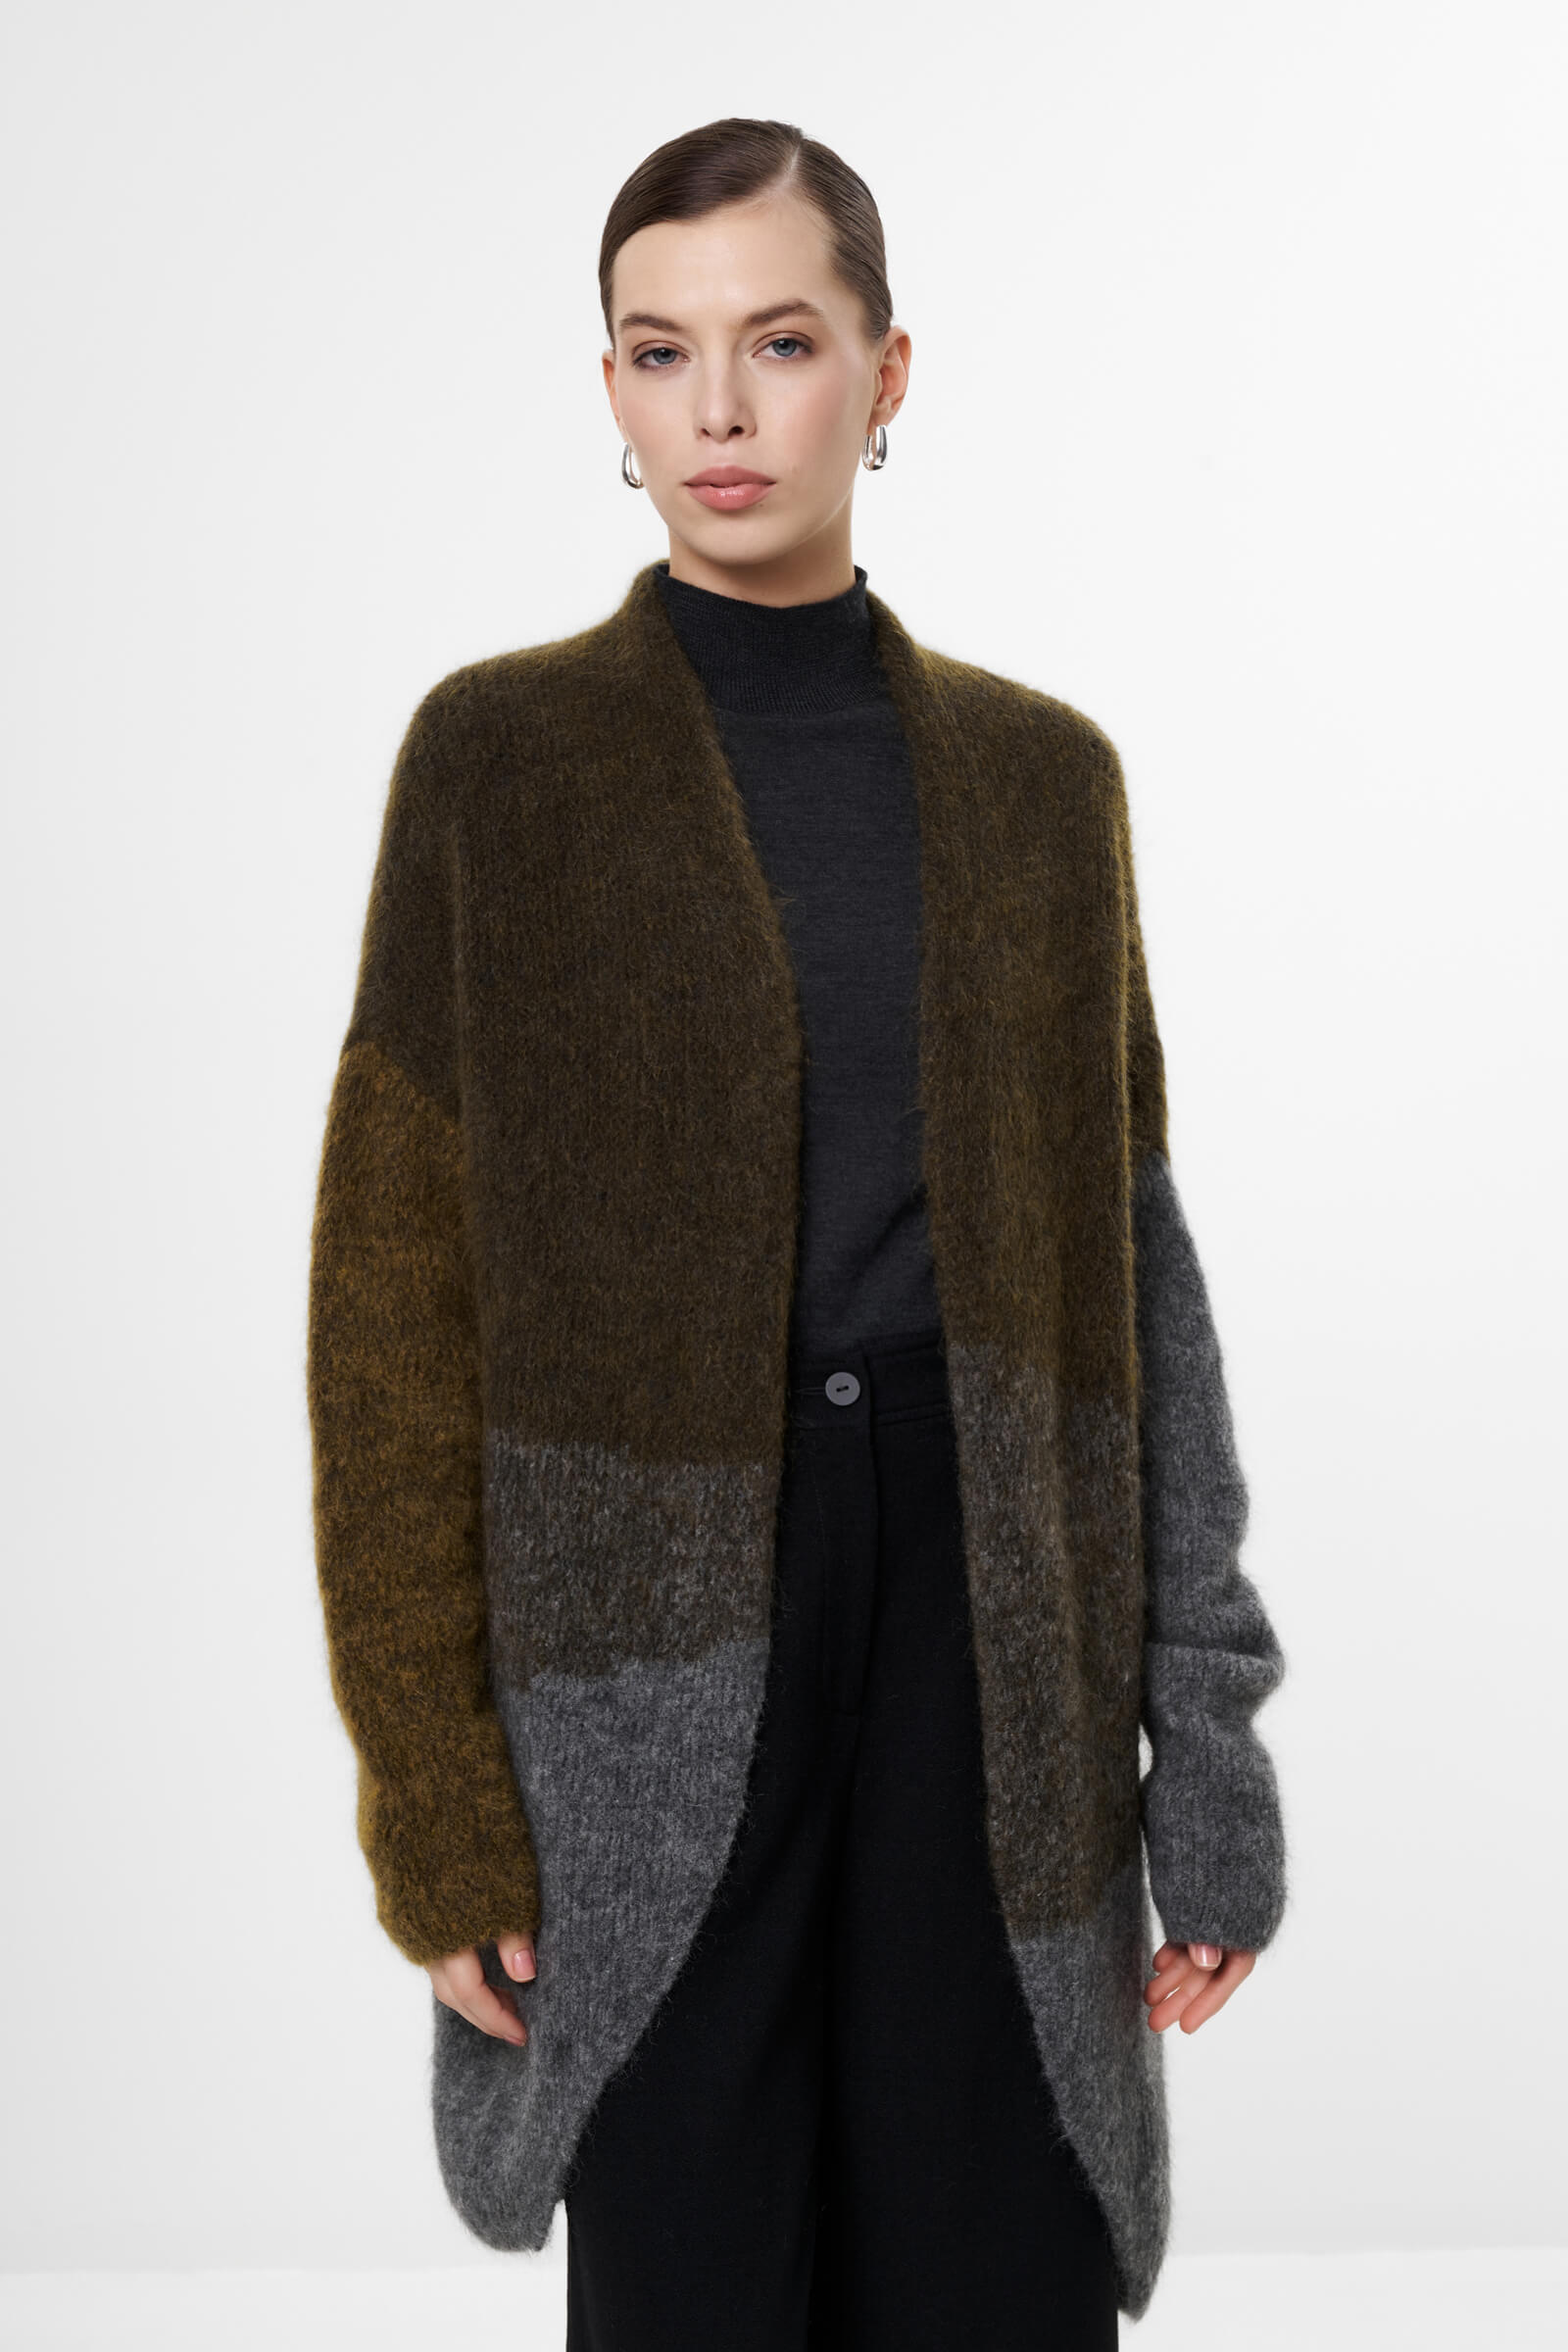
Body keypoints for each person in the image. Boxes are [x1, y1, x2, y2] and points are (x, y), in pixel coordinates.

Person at [306, 115, 1289, 2351]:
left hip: (987, 1609)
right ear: (610, 388)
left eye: (780, 341)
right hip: (642, 1635)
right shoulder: (500, 762)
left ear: (886, 370)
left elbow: (1137, 1302)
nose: (720, 410)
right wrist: (434, 1794)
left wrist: (1209, 1754)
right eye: (660, 353)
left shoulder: (1041, 784)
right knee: (698, 2262)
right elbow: (391, 1325)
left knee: (992, 2257)